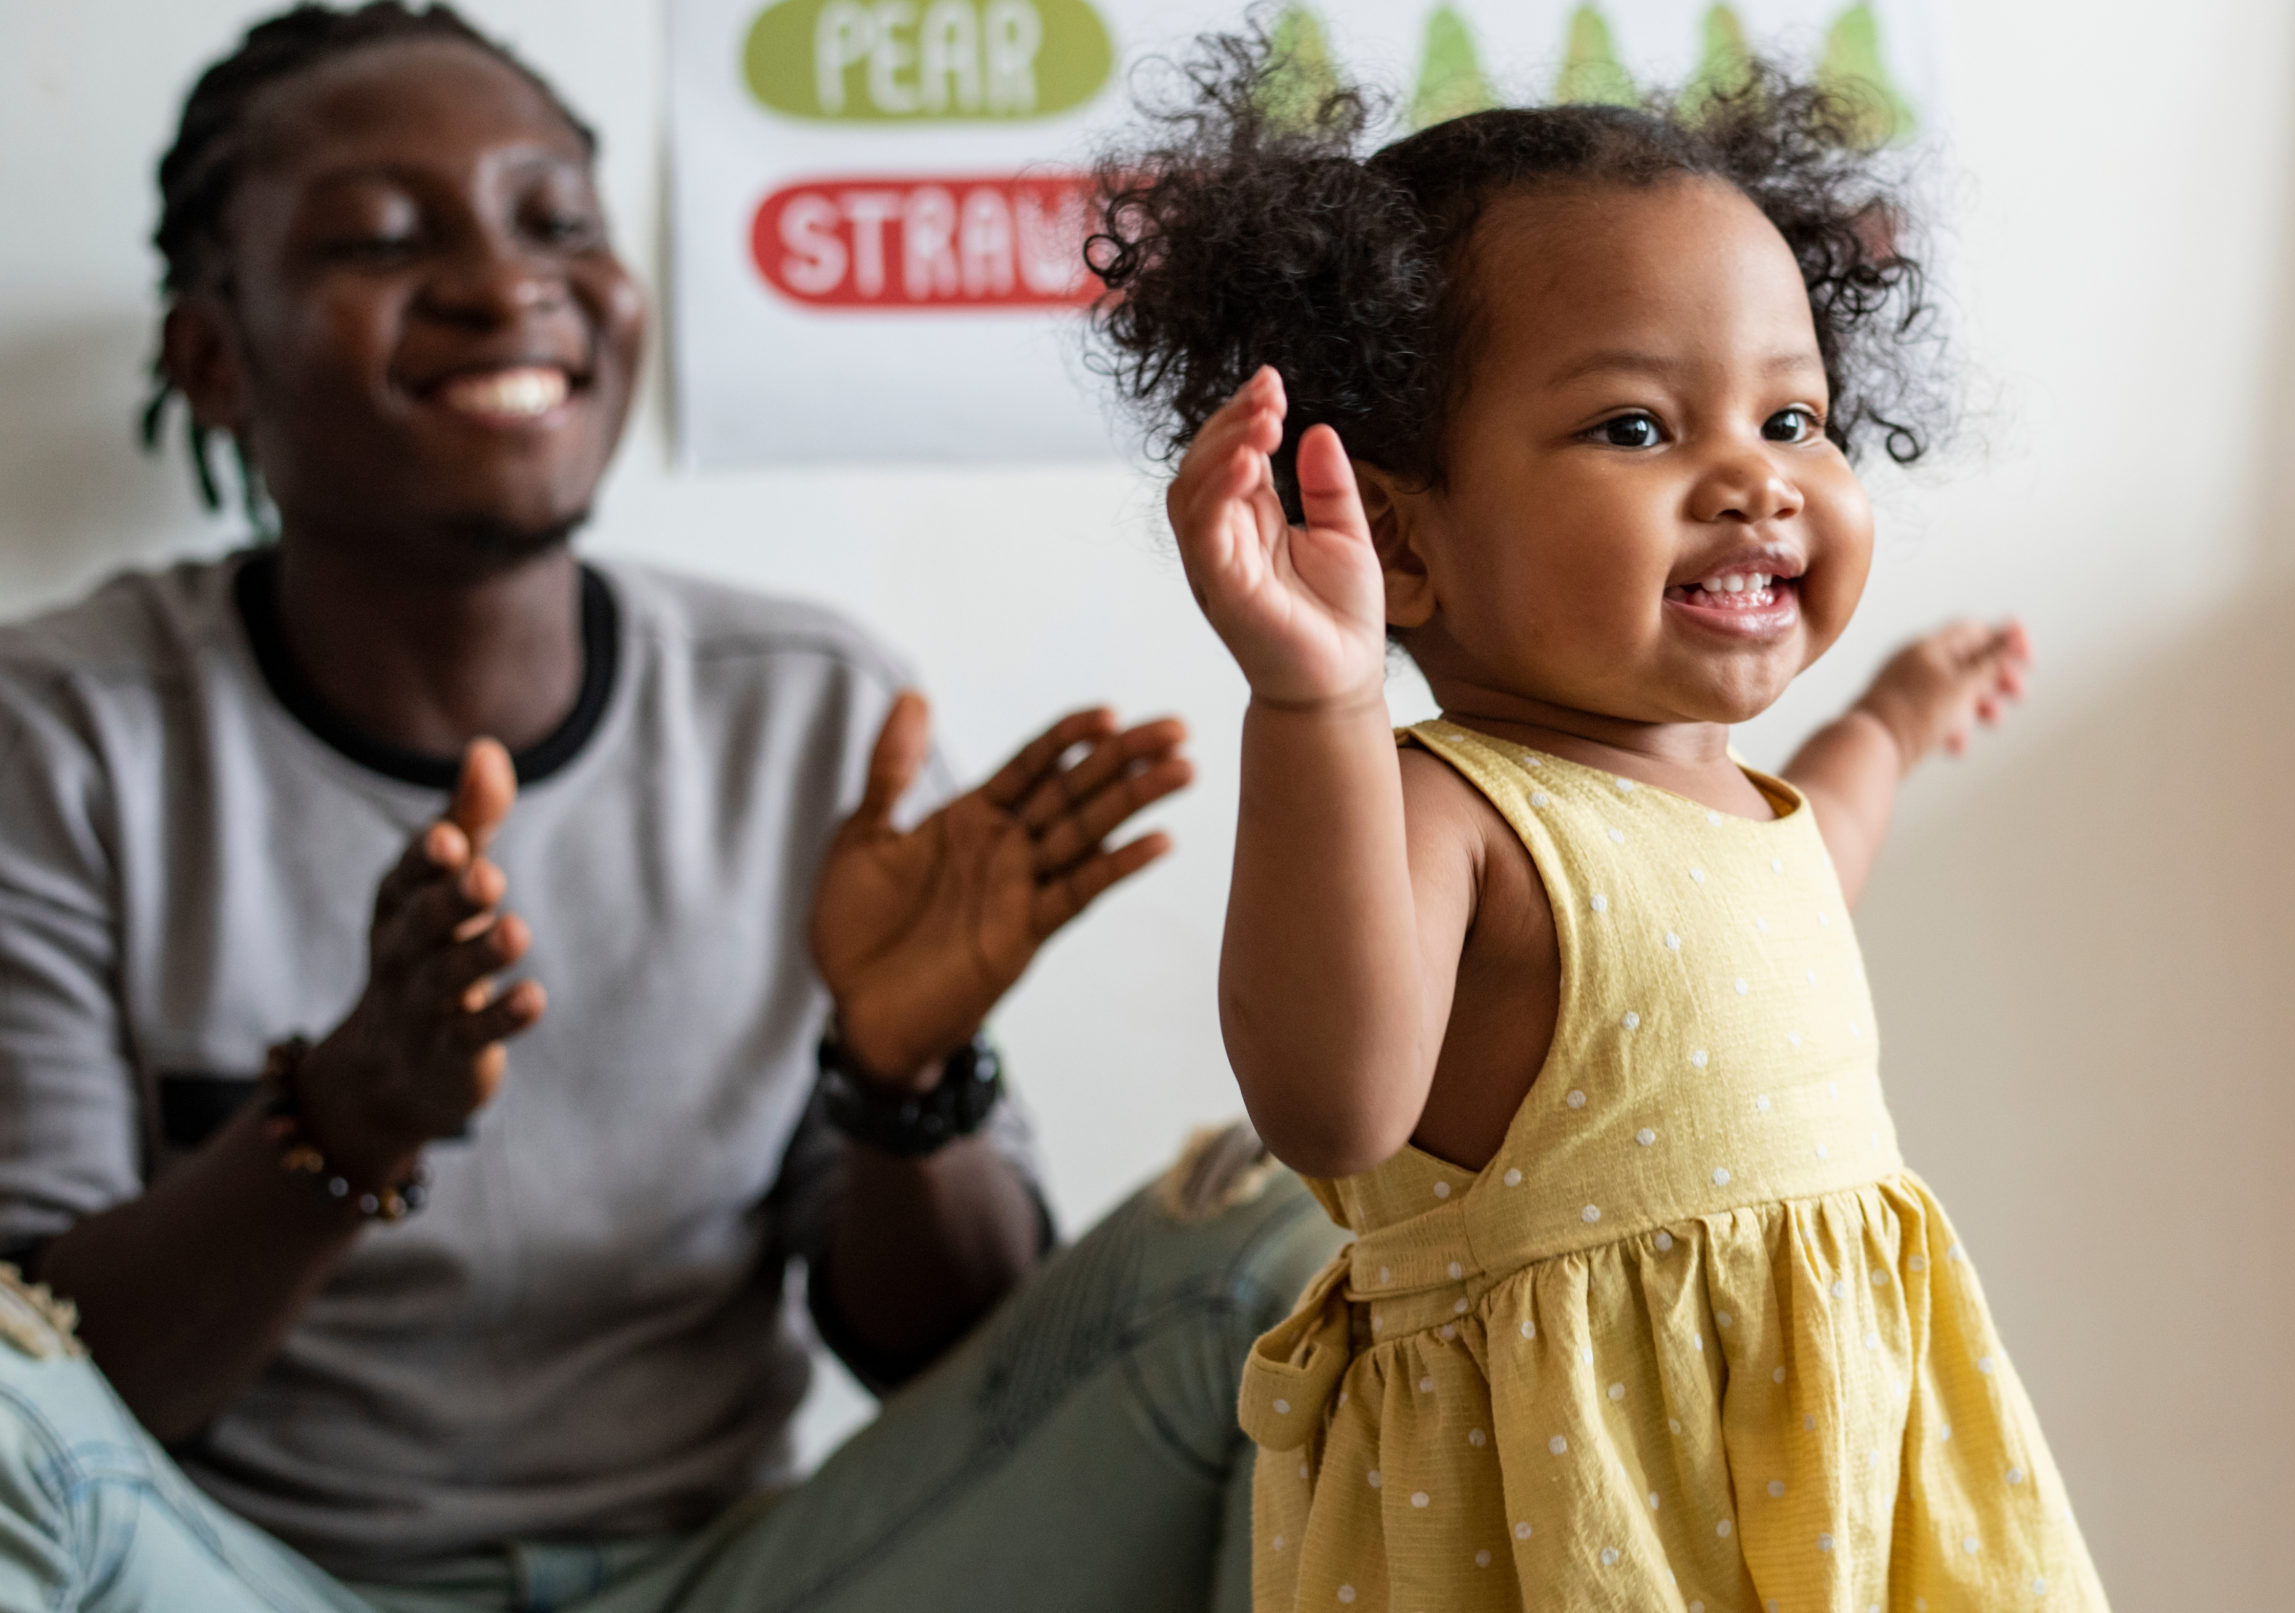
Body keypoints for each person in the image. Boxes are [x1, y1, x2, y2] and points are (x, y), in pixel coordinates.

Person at [0, 5, 1342, 1610]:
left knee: (1275, 1247)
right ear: (215, 357)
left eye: (556, 220)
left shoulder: (809, 712)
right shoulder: (66, 734)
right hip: (244, 1579)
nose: (507, 284)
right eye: (378, 239)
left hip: (741, 1580)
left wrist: (898, 1080)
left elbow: (959, 1356)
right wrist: (340, 1121)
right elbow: (66, 1383)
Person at [1086, 37, 2111, 1613]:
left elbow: (1795, 880)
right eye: (1638, 429)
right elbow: (1334, 1099)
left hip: (1836, 1509)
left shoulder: (1728, 800)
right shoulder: (1453, 808)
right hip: (1586, 1532)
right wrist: (1319, 705)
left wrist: (1890, 726)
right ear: (1404, 539)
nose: (1753, 485)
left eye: (1793, 418)